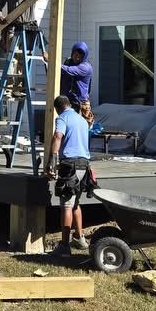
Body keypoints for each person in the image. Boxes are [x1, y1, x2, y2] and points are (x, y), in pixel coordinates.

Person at [46, 94, 92, 254]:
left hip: (70, 166)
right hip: (84, 165)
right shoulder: (81, 120)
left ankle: (64, 246)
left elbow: (58, 136)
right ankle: (80, 239)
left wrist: (51, 162)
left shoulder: (62, 118)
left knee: (66, 205)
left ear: (58, 109)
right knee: (76, 204)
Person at [57, 42, 93, 124]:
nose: (77, 58)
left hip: (79, 104)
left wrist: (51, 61)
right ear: (72, 53)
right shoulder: (68, 62)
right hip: (66, 101)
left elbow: (69, 70)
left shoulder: (86, 67)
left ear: (84, 56)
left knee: (77, 128)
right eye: (75, 54)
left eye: (80, 56)